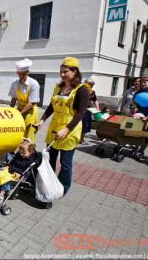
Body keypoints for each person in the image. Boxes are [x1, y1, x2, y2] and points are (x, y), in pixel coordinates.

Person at [34, 57, 89, 203]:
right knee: (49, 159)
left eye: (65, 72)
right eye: (61, 72)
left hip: (70, 131)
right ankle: (50, 184)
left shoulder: (82, 90)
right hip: (54, 129)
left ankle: (63, 188)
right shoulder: (58, 88)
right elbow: (52, 106)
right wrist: (41, 120)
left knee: (65, 163)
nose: (62, 75)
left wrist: (67, 128)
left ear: (75, 71)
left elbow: (81, 113)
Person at [0, 138, 38, 206]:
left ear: (31, 152)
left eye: (24, 153)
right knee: (0, 174)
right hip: (12, 170)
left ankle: (1, 195)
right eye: (20, 152)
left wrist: (30, 144)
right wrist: (8, 166)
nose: (22, 154)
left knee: (6, 180)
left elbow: (33, 155)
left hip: (20, 173)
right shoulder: (19, 154)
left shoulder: (31, 159)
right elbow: (12, 162)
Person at [9, 58, 40, 143]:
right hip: (20, 110)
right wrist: (10, 111)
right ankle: (17, 154)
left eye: (23, 74)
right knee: (17, 135)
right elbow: (14, 98)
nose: (21, 76)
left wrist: (19, 113)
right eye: (19, 74)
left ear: (27, 72)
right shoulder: (15, 83)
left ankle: (29, 155)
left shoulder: (34, 84)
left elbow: (32, 103)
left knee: (28, 138)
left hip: (30, 112)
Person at [80, 77, 99, 144]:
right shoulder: (81, 89)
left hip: (87, 110)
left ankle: (81, 139)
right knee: (77, 123)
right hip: (79, 109)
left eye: (91, 85)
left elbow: (95, 100)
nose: (90, 86)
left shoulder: (92, 92)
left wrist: (97, 107)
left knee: (85, 124)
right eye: (89, 84)